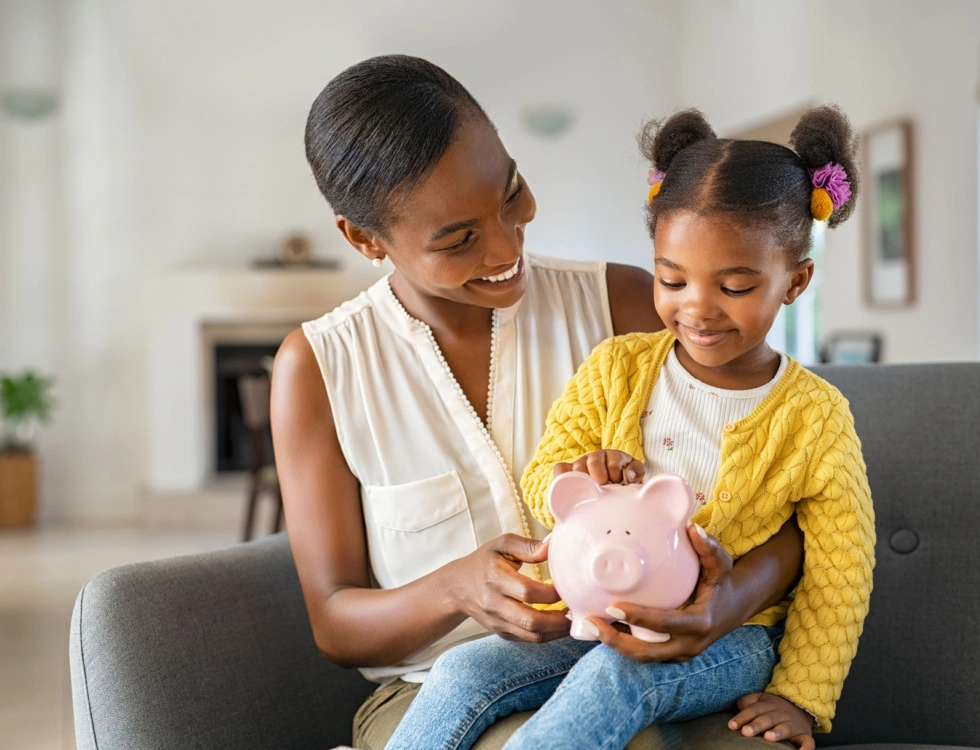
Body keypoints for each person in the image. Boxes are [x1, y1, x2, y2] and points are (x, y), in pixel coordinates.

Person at [272, 55, 806, 750]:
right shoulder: (320, 367)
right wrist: (454, 590)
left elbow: (794, 492)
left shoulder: (625, 306)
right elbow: (335, 623)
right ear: (364, 239)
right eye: (459, 238)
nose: (506, 244)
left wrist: (726, 603)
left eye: (511, 192)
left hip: (644, 660)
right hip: (434, 696)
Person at [383, 106, 875, 750]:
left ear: (795, 281)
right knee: (466, 668)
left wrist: (801, 698)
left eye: (734, 286)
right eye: (672, 279)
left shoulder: (815, 416)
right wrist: (578, 475)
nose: (696, 307)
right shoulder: (617, 368)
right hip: (593, 615)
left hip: (736, 637)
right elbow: (544, 478)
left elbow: (843, 569)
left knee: (615, 679)